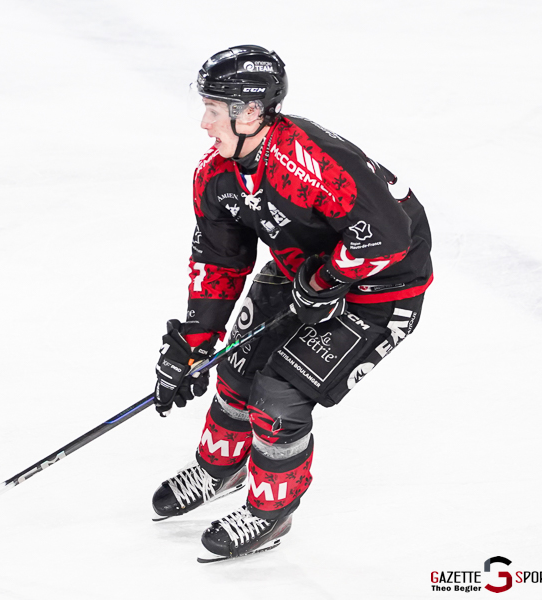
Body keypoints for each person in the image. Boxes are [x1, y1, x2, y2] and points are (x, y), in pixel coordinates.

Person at [152, 45, 433, 560]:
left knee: (279, 395)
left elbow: (389, 237)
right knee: (236, 365)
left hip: (382, 288)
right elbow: (219, 263)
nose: (203, 122)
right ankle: (221, 465)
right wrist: (191, 345)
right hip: (302, 267)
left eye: (214, 108)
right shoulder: (217, 176)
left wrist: (328, 280)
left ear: (251, 111)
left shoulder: (306, 162)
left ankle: (271, 510)